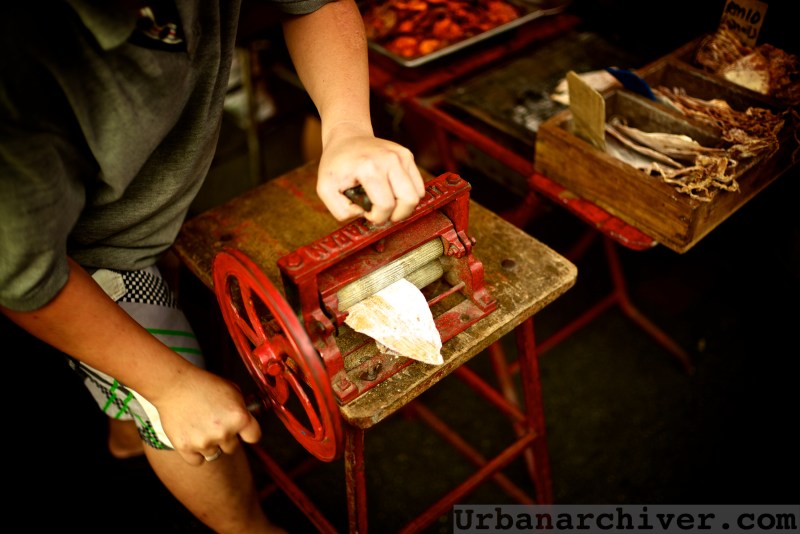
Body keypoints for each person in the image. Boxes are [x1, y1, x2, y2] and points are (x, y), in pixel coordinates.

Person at [0, 0, 425, 532]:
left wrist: (347, 126)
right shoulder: (15, 73)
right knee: (175, 410)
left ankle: (123, 430)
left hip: (159, 196)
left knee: (137, 380)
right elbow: (23, 278)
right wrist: (169, 385)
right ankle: (245, 526)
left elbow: (314, 3)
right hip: (89, 252)